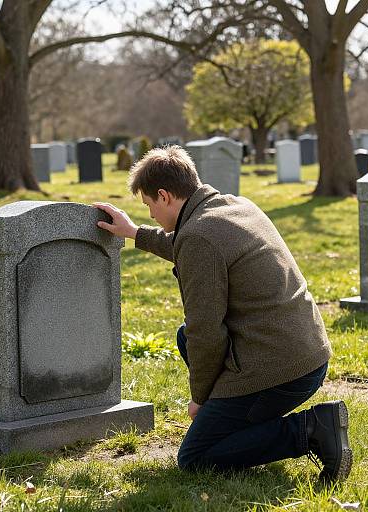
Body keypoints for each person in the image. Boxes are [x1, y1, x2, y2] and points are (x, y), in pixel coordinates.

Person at [94, 145, 352, 481]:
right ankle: (239, 419)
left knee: (196, 456)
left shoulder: (199, 237)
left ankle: (313, 429)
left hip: (281, 370)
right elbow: (190, 244)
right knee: (184, 337)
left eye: (149, 206)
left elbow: (206, 332)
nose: (151, 215)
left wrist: (200, 400)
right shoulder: (233, 206)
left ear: (164, 195)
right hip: (308, 353)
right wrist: (135, 233)